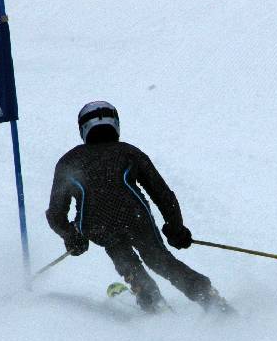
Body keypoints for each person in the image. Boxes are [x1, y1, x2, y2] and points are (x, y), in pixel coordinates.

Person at [46, 101, 231, 314]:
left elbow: (56, 214)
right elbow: (163, 195)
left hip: (96, 225)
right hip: (135, 218)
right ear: (115, 124)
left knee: (121, 254)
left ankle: (150, 299)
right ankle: (207, 297)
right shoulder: (129, 153)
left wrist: (72, 237)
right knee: (160, 260)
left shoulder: (68, 162)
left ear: (83, 129)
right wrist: (176, 229)